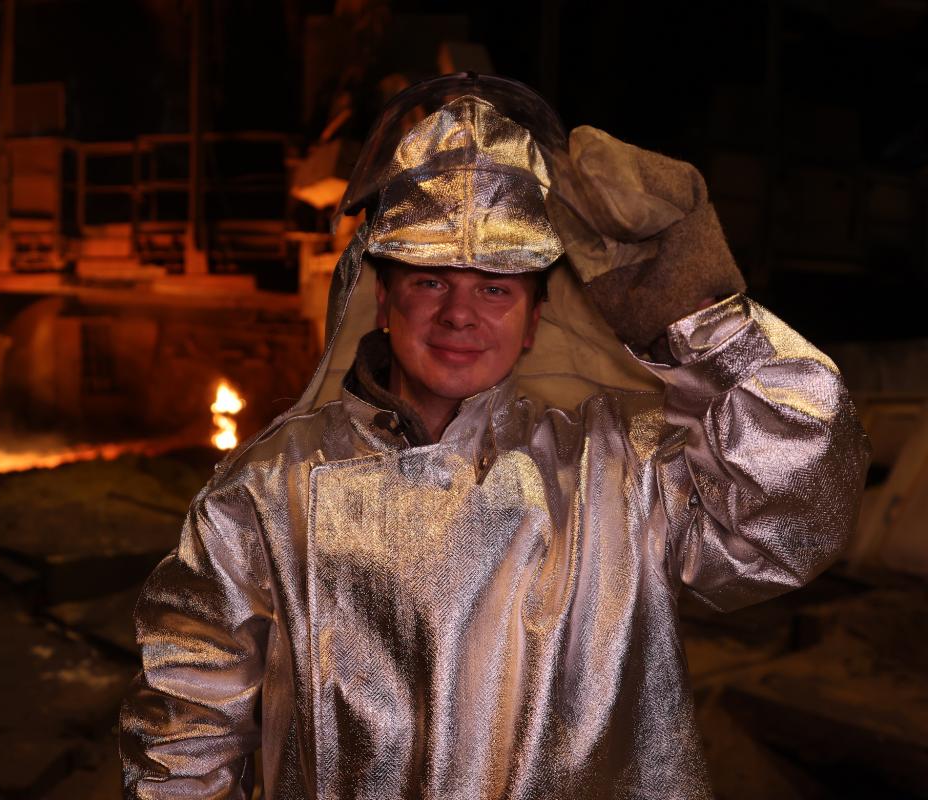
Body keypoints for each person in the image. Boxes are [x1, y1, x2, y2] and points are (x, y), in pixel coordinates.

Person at [120, 74, 869, 799]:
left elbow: (790, 516)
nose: (459, 314)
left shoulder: (621, 465)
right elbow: (185, 731)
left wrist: (705, 319)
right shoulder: (266, 489)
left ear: (535, 318)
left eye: (494, 288)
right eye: (431, 280)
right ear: (382, 298)